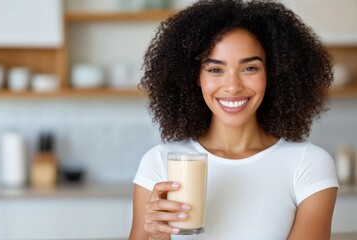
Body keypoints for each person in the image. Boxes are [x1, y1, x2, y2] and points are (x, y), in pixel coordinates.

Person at [129, 0, 339, 239]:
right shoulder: (160, 163)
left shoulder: (308, 165)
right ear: (195, 76)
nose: (232, 86)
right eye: (215, 69)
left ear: (273, 73)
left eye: (250, 68)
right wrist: (158, 236)